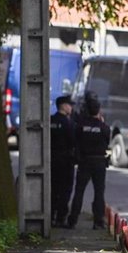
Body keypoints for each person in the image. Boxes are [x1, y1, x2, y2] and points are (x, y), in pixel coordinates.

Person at [67, 97, 110, 229]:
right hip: (99, 162)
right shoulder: (104, 127)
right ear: (99, 111)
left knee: (79, 191)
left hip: (84, 161)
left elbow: (75, 141)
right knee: (99, 192)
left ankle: (72, 220)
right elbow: (107, 142)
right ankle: (98, 222)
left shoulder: (80, 126)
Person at [50, 95, 76, 227]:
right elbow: (73, 141)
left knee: (53, 189)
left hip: (52, 160)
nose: (71, 107)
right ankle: (61, 218)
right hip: (66, 161)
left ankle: (50, 216)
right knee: (65, 190)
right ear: (64, 106)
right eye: (70, 105)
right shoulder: (68, 123)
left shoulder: (51, 120)